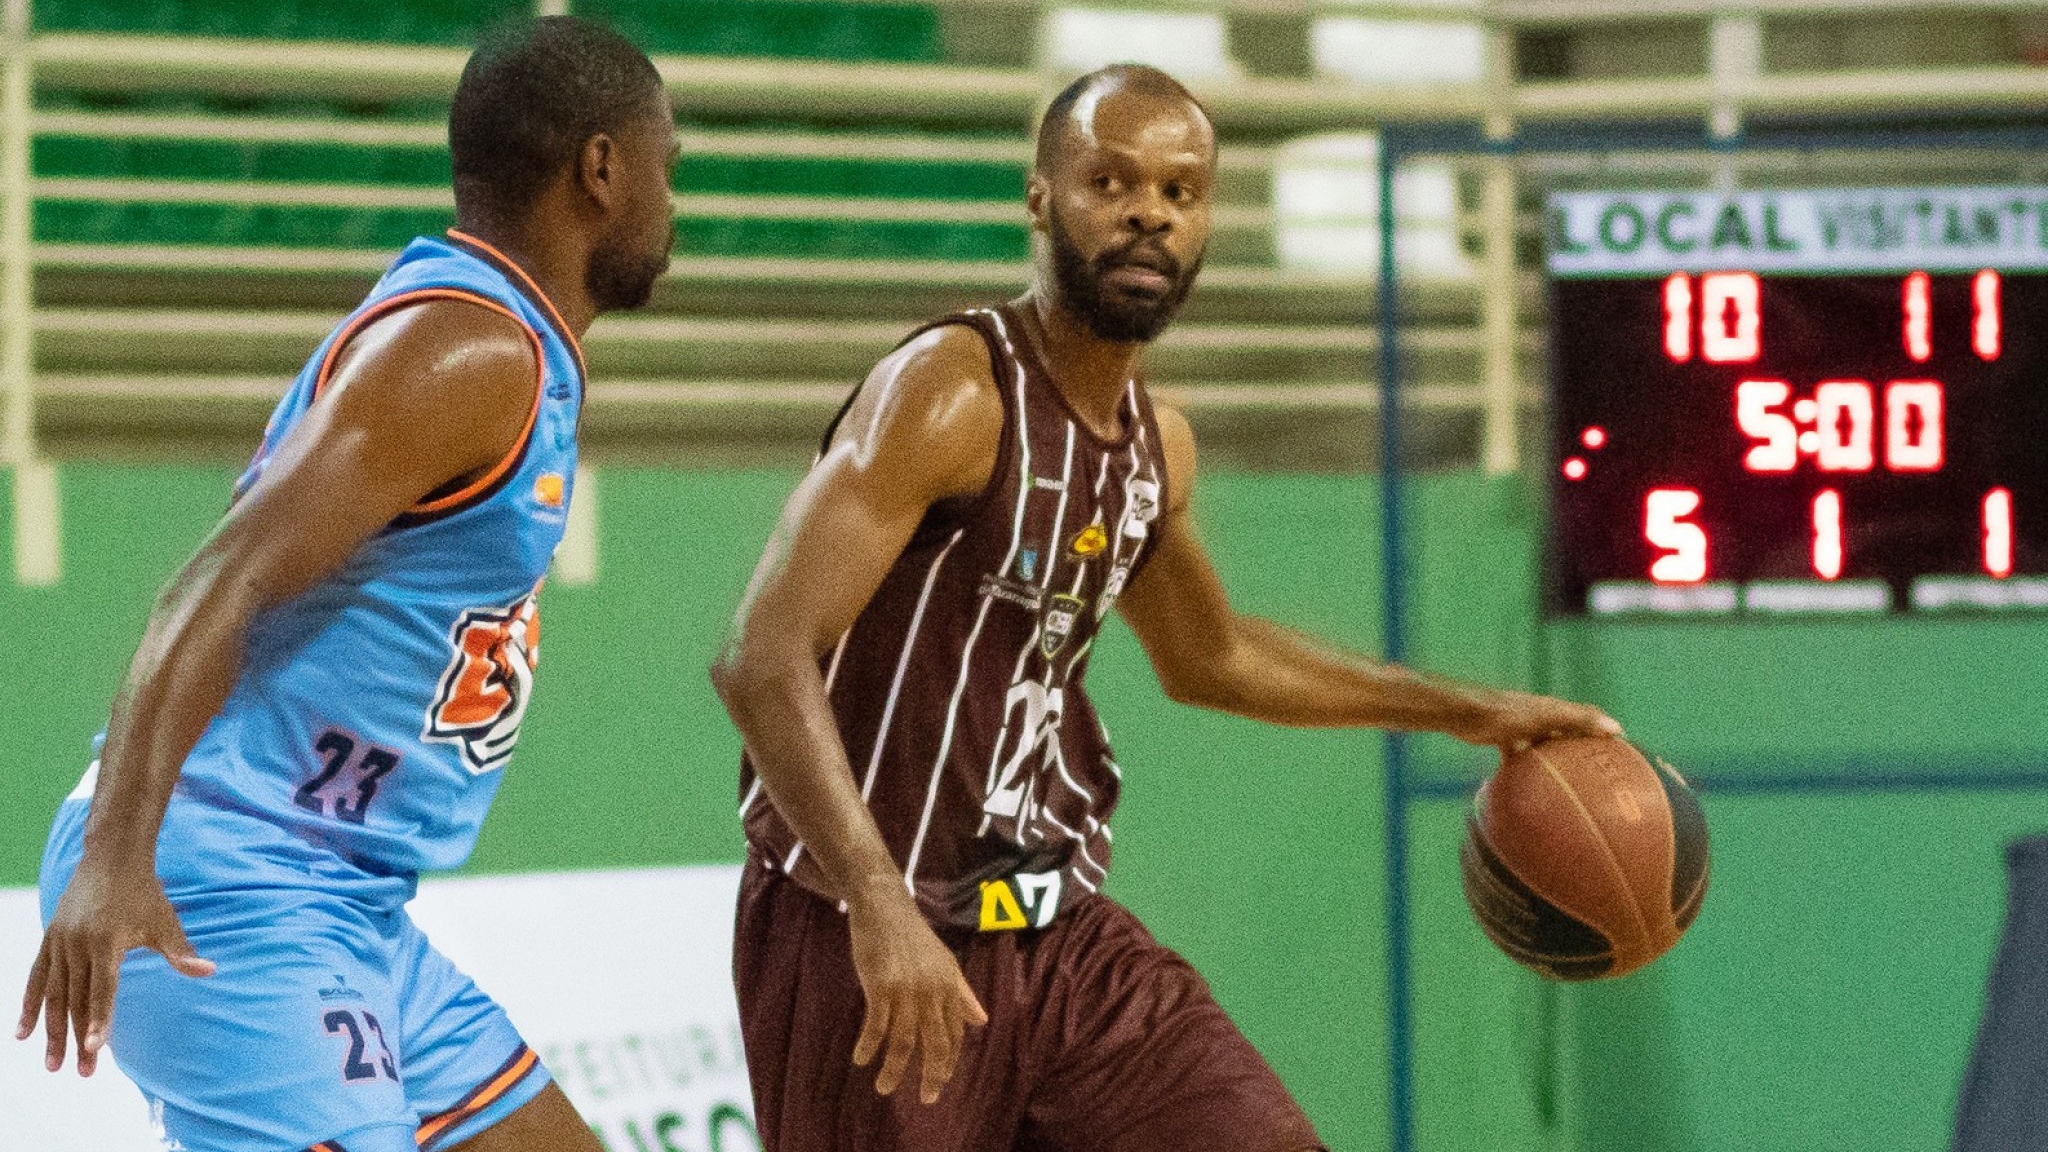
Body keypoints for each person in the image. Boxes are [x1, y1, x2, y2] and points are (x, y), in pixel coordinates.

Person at [711, 64, 1620, 1151]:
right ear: (1040, 200)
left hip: (1049, 931)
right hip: (866, 928)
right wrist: (875, 905)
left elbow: (1215, 656)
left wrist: (1466, 712)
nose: (1148, 210)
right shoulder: (950, 394)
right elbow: (762, 657)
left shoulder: (1154, 449)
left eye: (1180, 192)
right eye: (1110, 181)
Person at [14, 17, 676, 1152]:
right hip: (224, 881)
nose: (676, 203)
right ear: (602, 170)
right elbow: (210, 585)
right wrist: (116, 858)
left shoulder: (499, 343)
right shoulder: (467, 356)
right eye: (670, 167)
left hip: (344, 903)